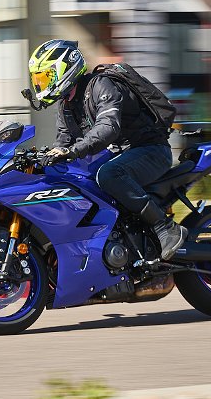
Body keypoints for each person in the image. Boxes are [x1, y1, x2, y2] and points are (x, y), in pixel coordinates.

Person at [27, 39, 187, 260]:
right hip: (120, 155)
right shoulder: (66, 105)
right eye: (38, 80)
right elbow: (62, 142)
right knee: (74, 179)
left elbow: (108, 127)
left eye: (46, 77)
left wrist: (74, 151)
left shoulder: (101, 85)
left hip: (150, 150)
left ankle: (165, 227)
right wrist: (42, 161)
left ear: (65, 68)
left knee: (108, 174)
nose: (41, 85)